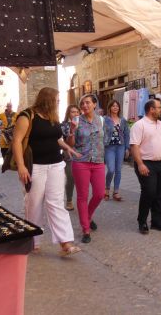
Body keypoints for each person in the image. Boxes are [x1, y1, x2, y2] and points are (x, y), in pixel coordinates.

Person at [12, 87, 81, 256]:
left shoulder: (52, 117)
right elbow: (16, 141)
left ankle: (65, 242)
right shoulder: (27, 116)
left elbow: (57, 138)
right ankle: (33, 240)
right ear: (48, 99)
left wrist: (67, 148)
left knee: (56, 202)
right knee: (34, 203)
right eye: (56, 100)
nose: (58, 102)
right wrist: (21, 166)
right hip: (35, 166)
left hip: (56, 165)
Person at [66, 94, 106, 244]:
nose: (84, 106)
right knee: (82, 196)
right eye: (82, 103)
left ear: (95, 104)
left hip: (98, 161)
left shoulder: (102, 120)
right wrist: (71, 131)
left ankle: (87, 217)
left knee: (100, 194)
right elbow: (70, 144)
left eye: (88, 103)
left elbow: (105, 139)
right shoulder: (76, 120)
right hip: (81, 161)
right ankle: (85, 229)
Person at [130, 99, 161, 234]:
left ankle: (156, 221)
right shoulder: (139, 125)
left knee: (160, 193)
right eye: (159, 107)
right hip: (146, 163)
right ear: (151, 109)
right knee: (149, 192)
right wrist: (140, 164)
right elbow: (134, 146)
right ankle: (142, 221)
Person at [103, 100, 130, 202]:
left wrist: (127, 148)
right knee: (111, 169)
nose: (115, 108)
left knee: (118, 170)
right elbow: (101, 133)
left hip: (120, 147)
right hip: (109, 147)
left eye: (117, 106)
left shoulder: (123, 120)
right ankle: (107, 188)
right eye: (113, 106)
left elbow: (127, 134)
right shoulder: (105, 119)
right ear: (109, 108)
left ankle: (116, 191)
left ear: (119, 108)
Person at [60, 104, 80, 211]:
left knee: (81, 179)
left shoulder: (83, 124)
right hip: (69, 154)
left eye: (77, 112)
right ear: (68, 113)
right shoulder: (63, 125)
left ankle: (81, 201)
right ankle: (69, 200)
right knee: (71, 178)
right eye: (73, 112)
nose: (75, 114)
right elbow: (66, 143)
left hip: (82, 155)